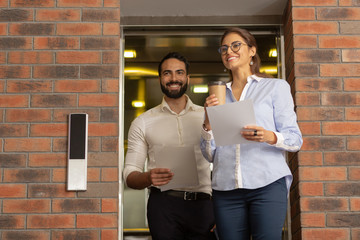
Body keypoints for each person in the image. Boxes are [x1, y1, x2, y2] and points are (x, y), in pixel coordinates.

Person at [201, 27, 303, 240]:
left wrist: (269, 136)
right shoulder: (218, 94)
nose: (229, 51)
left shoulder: (275, 87)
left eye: (236, 45)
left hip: (267, 184)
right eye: (224, 48)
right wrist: (208, 125)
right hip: (226, 189)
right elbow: (210, 155)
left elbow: (295, 139)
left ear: (252, 51)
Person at [123, 52, 215, 240]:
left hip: (204, 206)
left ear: (187, 78)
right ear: (160, 79)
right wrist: (148, 177)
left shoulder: (207, 117)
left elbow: (225, 164)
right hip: (163, 206)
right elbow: (129, 176)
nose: (174, 78)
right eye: (167, 73)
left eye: (179, 73)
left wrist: (222, 209)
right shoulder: (143, 122)